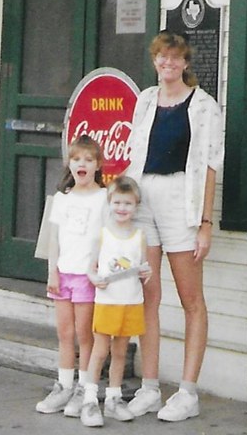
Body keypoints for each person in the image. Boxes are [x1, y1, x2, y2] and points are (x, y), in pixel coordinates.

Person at [124, 31, 223, 422]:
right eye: (161, 58)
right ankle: (150, 386)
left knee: (190, 299)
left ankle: (187, 391)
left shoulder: (203, 107)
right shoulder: (145, 100)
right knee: (147, 293)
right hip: (144, 196)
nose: (167, 65)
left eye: (174, 59)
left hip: (182, 199)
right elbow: (135, 153)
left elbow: (211, 166)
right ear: (155, 61)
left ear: (185, 63)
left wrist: (205, 223)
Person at [36, 134, 107, 417]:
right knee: (64, 333)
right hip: (63, 274)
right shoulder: (63, 200)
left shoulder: (103, 198)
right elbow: (54, 239)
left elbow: (105, 237)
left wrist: (97, 267)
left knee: (84, 334)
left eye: (89, 160)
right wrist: (51, 270)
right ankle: (63, 386)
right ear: (69, 163)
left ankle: (83, 389)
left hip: (86, 276)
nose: (82, 164)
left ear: (98, 165)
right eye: (77, 159)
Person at [80, 175, 151, 428]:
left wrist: (146, 272)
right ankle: (89, 400)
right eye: (117, 202)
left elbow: (143, 267)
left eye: (128, 204)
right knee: (101, 351)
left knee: (121, 352)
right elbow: (90, 268)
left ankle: (113, 398)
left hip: (131, 301)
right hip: (107, 302)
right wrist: (94, 278)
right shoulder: (102, 235)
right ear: (110, 203)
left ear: (136, 205)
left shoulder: (139, 236)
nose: (122, 208)